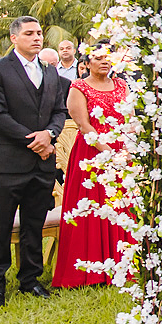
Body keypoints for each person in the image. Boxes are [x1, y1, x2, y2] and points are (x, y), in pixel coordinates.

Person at [0, 16, 68, 307]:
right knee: (0, 225)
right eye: (29, 33)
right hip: (9, 162)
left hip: (42, 164)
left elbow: (59, 110)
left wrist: (51, 133)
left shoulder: (51, 72)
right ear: (14, 38)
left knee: (34, 223)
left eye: (40, 33)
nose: (37, 37)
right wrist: (35, 140)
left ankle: (30, 279)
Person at [52, 42, 132, 288]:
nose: (104, 62)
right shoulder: (78, 86)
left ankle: (123, 265)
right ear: (86, 63)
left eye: (108, 57)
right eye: (98, 58)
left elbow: (130, 117)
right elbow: (83, 124)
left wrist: (127, 146)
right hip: (92, 153)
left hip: (121, 152)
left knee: (120, 206)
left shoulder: (122, 85)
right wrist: (107, 151)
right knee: (93, 207)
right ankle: (90, 271)